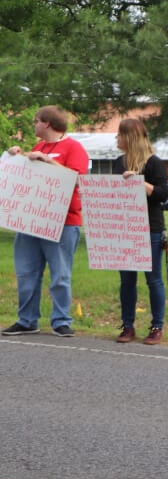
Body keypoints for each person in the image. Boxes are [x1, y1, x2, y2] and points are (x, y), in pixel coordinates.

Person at [2, 106, 89, 338]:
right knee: (26, 272)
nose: (34, 125)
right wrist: (15, 157)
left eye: (36, 121)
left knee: (60, 274)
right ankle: (27, 319)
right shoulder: (38, 147)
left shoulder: (74, 148)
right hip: (32, 220)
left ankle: (61, 320)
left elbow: (79, 179)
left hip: (62, 222)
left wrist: (47, 161)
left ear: (47, 124)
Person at [113, 118, 168, 345]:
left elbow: (163, 194)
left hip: (150, 228)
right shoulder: (119, 162)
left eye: (119, 134)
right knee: (126, 280)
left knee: (153, 279)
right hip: (125, 228)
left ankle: (157, 326)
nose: (116, 139)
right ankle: (127, 325)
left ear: (130, 137)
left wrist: (140, 183)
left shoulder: (154, 163)